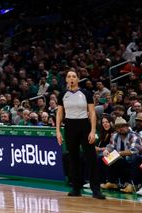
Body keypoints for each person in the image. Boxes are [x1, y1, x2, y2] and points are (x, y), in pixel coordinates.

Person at [56, 69, 105, 199]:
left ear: (77, 79)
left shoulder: (85, 93)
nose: (71, 78)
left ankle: (96, 189)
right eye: (69, 76)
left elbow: (92, 113)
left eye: (74, 76)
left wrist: (93, 130)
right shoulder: (62, 94)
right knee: (73, 158)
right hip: (69, 126)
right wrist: (57, 131)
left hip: (84, 125)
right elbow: (60, 113)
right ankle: (76, 188)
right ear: (66, 79)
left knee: (91, 157)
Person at [100, 116, 142, 193]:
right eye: (118, 127)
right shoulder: (115, 135)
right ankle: (111, 182)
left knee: (135, 158)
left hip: (136, 161)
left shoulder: (134, 135)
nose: (121, 128)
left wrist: (118, 153)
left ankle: (133, 185)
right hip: (123, 160)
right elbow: (111, 146)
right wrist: (106, 150)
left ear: (127, 126)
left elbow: (134, 150)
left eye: (123, 126)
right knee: (104, 157)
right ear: (116, 128)